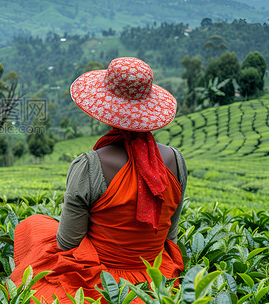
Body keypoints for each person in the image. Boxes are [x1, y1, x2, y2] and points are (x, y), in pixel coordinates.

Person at [10, 57, 187, 303]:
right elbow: (170, 236)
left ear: (105, 108)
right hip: (156, 276)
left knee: (34, 225)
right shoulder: (175, 161)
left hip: (102, 281)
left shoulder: (89, 165)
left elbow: (68, 242)